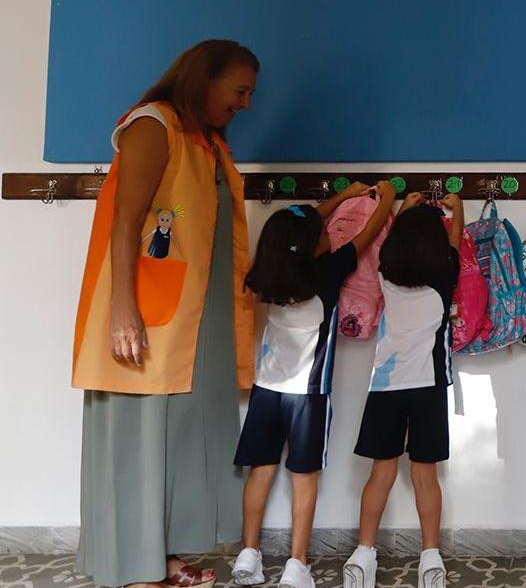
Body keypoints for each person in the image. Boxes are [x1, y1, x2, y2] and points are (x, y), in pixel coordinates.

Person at [73, 40, 259, 587]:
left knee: (175, 439)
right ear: (204, 79)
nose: (247, 103)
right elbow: (125, 221)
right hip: (149, 316)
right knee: (141, 439)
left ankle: (160, 557)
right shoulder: (153, 125)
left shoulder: (204, 142)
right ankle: (136, 570)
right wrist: (123, 313)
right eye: (240, 90)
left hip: (191, 322)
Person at [231, 181, 395, 587]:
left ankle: (248, 555)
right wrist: (386, 199)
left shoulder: (274, 274)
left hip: (267, 392)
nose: (330, 233)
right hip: (308, 398)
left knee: (260, 473)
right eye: (325, 233)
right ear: (312, 246)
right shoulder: (326, 272)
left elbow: (297, 229)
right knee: (304, 479)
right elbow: (366, 235)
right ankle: (296, 565)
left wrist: (341, 197)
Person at [342, 192, 463, 588]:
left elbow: (391, 240)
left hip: (385, 387)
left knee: (380, 474)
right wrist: (455, 206)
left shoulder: (385, 272)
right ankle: (430, 561)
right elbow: (455, 237)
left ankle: (363, 555)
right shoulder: (445, 274)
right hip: (427, 387)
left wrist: (406, 207)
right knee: (425, 477)